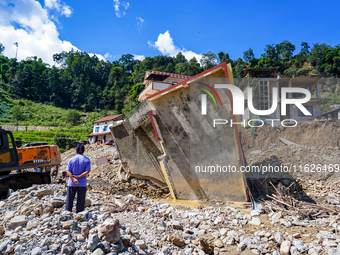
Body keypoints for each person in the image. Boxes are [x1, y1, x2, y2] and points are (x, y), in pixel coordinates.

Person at [65, 143, 91, 213]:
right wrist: (79, 177)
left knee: (69, 200)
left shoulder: (71, 160)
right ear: (83, 151)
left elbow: (68, 171)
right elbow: (87, 171)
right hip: (82, 184)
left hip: (71, 183)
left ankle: (67, 214)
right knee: (81, 201)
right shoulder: (87, 160)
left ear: (76, 151)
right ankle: (79, 215)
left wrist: (73, 179)